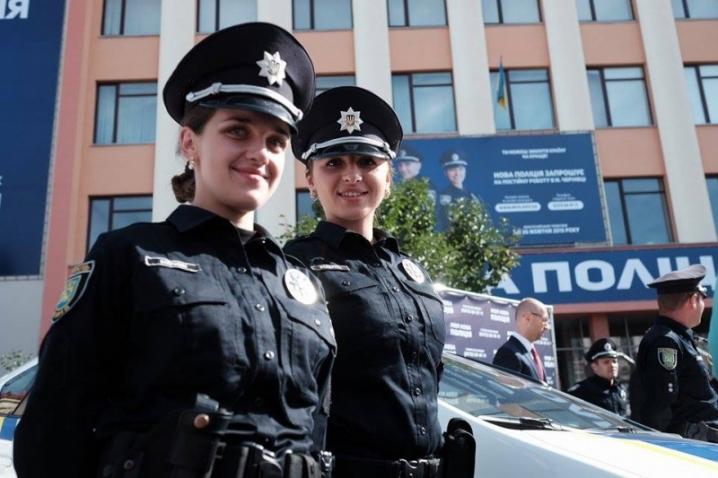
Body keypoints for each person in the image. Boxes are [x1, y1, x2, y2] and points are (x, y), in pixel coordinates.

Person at [14, 23, 337, 478]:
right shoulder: (129, 256)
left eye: (275, 142)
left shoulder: (303, 289)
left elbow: (317, 430)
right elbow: (54, 428)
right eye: (238, 131)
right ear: (190, 142)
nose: (259, 153)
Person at [285, 86, 467, 478]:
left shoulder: (412, 272)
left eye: (367, 161)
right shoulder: (294, 266)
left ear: (388, 176)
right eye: (334, 163)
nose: (352, 175)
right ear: (311, 180)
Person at [629, 264, 718, 442]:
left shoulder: (680, 338)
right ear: (693, 300)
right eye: (702, 297)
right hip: (694, 442)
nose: (703, 304)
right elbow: (660, 404)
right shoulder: (665, 341)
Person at [567, 338, 629, 416]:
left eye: (614, 361)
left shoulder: (619, 389)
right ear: (594, 367)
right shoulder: (581, 391)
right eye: (606, 362)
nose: (612, 365)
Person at [492, 298, 549, 382]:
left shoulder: (530, 352)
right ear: (528, 318)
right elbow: (507, 389)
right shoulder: (508, 353)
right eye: (544, 320)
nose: (547, 327)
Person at [435, 150, 477, 231]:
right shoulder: (441, 198)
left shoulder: (472, 195)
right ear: (445, 173)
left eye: (461, 169)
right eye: (452, 170)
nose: (457, 173)